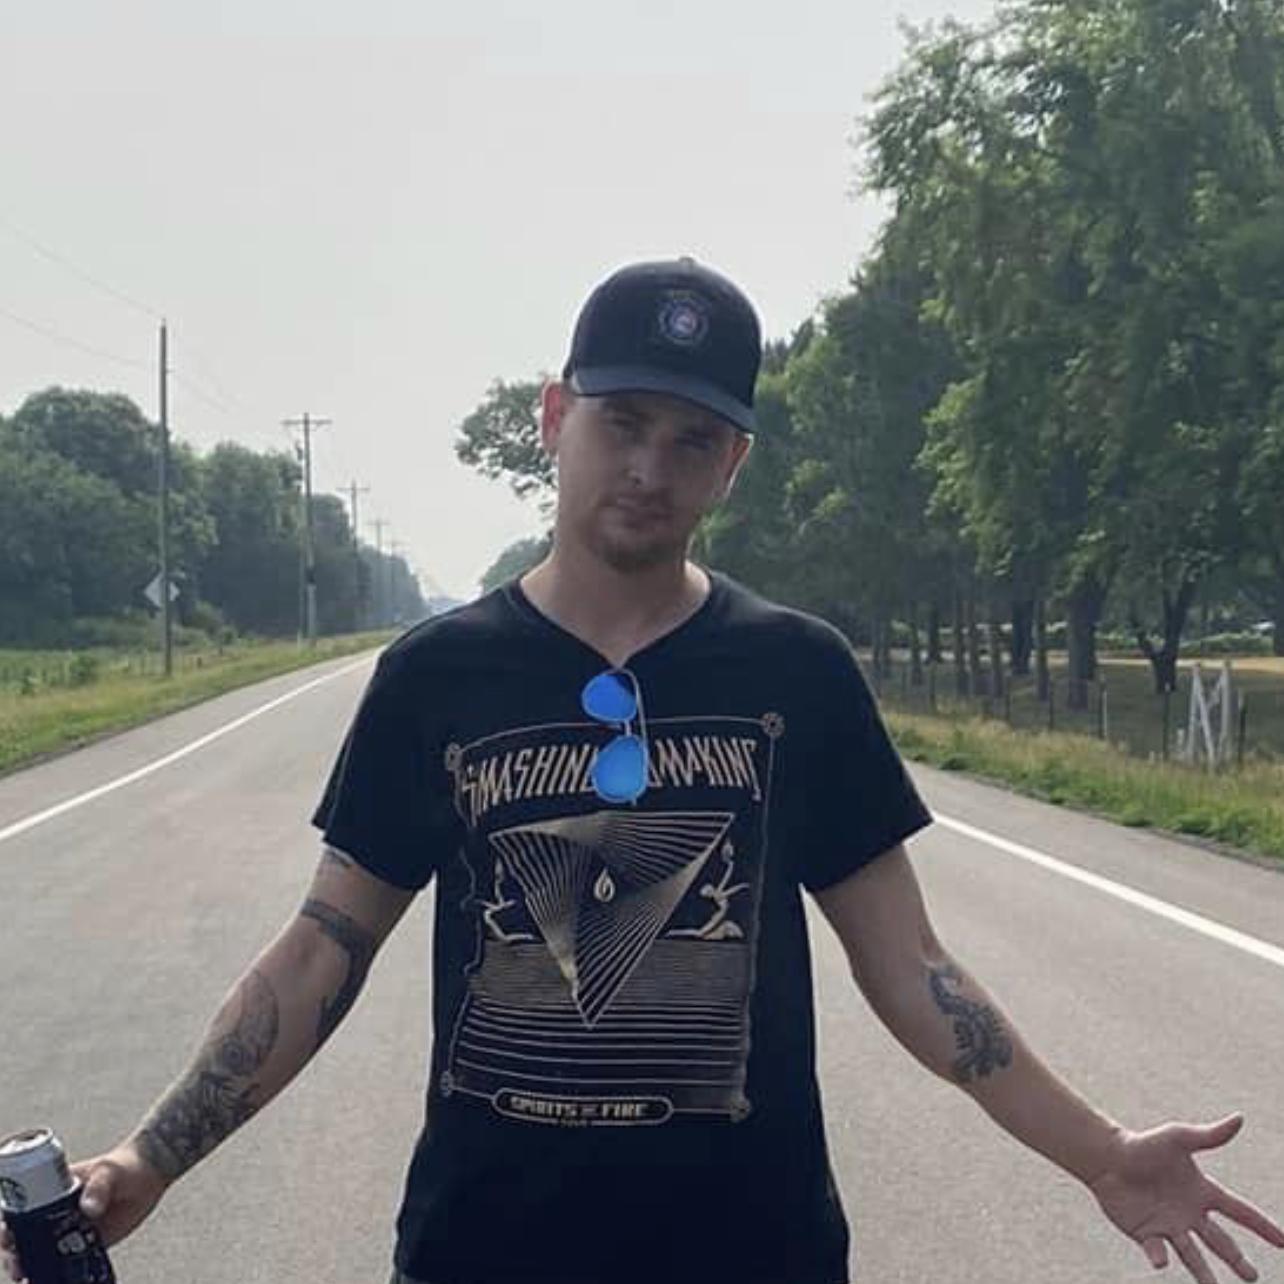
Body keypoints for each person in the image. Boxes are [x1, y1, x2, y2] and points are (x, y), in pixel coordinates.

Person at [4, 257, 1281, 1284]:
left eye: (692, 439)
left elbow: (914, 969)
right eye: (623, 424)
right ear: (555, 419)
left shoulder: (798, 671)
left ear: (733, 463)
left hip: (755, 1250)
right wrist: (150, 1160)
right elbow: (320, 953)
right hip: (484, 1250)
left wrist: (1099, 1152)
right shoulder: (438, 676)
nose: (649, 469)